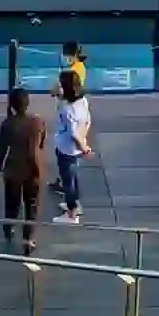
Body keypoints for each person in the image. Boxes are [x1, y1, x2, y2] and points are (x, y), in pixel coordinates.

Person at [0, 87, 48, 254]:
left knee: (12, 203)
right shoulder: (38, 122)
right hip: (34, 169)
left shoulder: (7, 124)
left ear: (12, 105)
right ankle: (28, 239)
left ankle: (9, 227)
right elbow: (41, 143)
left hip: (13, 170)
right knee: (32, 205)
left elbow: (2, 150)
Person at [52, 70, 93, 225]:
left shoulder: (67, 110)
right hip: (73, 149)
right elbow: (87, 122)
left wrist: (83, 147)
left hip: (67, 149)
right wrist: (84, 142)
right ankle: (76, 204)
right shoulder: (82, 101)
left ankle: (71, 213)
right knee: (73, 176)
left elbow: (74, 135)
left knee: (68, 181)